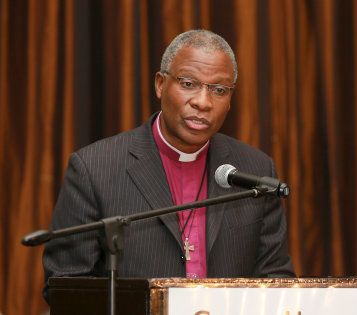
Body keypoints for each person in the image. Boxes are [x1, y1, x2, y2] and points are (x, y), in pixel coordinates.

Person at [42, 30, 295, 301]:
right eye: (188, 83)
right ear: (161, 84)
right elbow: (67, 289)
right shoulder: (94, 169)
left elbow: (275, 279)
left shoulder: (256, 169)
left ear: (230, 99)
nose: (202, 102)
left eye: (219, 90)